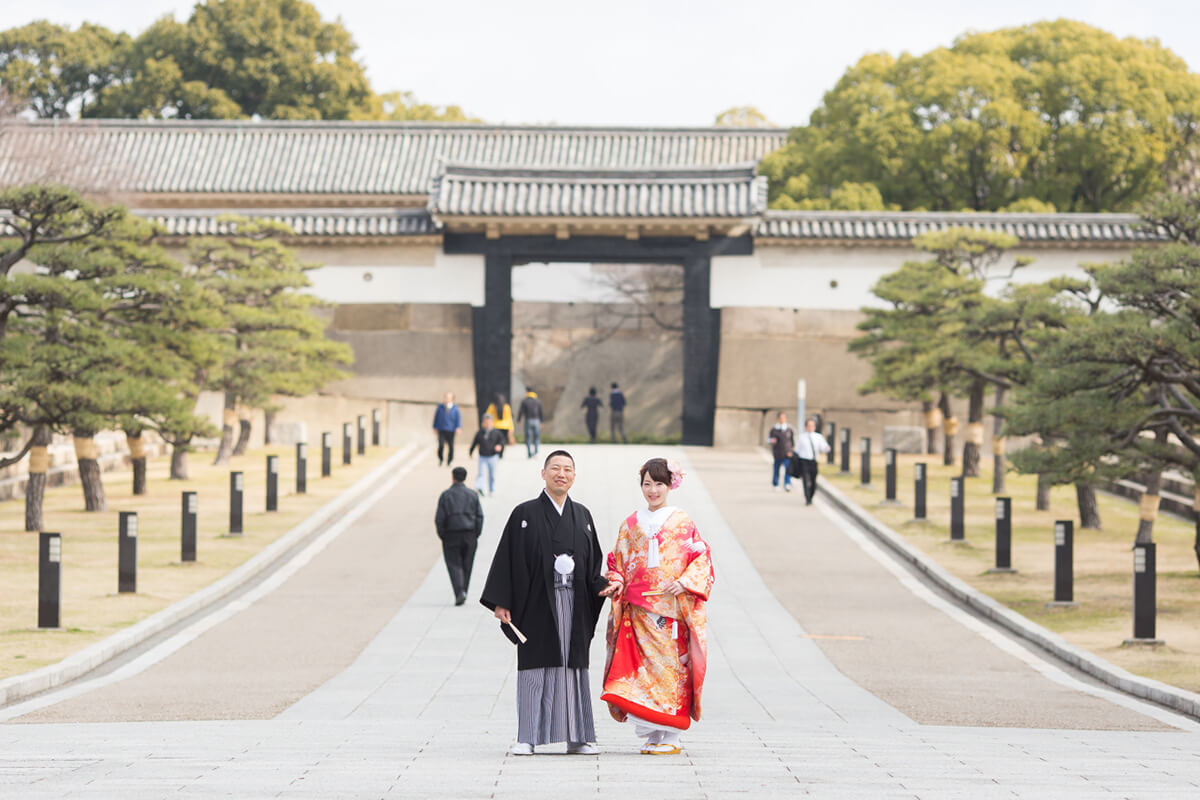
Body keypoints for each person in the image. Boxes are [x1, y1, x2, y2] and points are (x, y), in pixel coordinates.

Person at [480, 450, 620, 756]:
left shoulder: (582, 515)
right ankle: (527, 736)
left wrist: (604, 585)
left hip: (575, 600)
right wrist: (501, 601)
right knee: (534, 667)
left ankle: (579, 736)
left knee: (573, 667)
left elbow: (592, 562)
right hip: (536, 603)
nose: (562, 473)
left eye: (568, 469)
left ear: (574, 476)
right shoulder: (524, 514)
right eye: (555, 468)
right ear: (542, 474)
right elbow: (507, 558)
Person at [601, 457, 714, 756]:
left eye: (659, 484)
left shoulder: (682, 521)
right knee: (641, 671)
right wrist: (615, 581)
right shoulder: (630, 523)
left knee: (670, 668)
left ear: (670, 485)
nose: (653, 490)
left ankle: (672, 735)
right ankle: (653, 733)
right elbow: (618, 562)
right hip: (638, 611)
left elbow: (701, 557)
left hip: (670, 610)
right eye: (647, 484)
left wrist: (687, 582)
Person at [435, 466, 484, 605]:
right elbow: (479, 516)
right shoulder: (473, 494)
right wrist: (476, 533)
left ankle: (459, 591)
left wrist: (443, 534)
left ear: (453, 477)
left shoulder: (446, 495)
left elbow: (439, 518)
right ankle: (464, 591)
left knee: (453, 563)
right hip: (469, 533)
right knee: (467, 563)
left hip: (451, 533)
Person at [791, 417, 831, 505]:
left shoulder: (818, 437)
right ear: (806, 427)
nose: (810, 427)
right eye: (809, 426)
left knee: (813, 480)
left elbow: (824, 446)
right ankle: (807, 498)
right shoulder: (801, 437)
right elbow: (797, 450)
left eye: (812, 426)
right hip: (804, 461)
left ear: (814, 427)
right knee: (805, 479)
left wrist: (826, 448)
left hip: (814, 461)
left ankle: (811, 495)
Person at [468, 414, 506, 496]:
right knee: (481, 473)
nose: (487, 424)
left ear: (492, 422)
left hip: (493, 456)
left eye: (489, 422)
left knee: (492, 475)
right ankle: (479, 487)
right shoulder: (480, 432)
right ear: (483, 423)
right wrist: (470, 452)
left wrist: (500, 447)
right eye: (485, 422)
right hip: (482, 456)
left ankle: (491, 489)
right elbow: (475, 442)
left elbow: (502, 441)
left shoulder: (496, 432)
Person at [767, 411, 796, 492]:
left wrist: (792, 450)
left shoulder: (789, 429)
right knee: (776, 469)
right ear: (778, 419)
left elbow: (793, 441)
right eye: (780, 418)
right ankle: (775, 484)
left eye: (783, 418)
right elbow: (768, 439)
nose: (782, 419)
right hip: (777, 453)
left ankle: (787, 483)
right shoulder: (774, 429)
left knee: (788, 469)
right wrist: (772, 440)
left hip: (787, 453)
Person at [432, 391, 462, 466]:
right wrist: (435, 427)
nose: (447, 399)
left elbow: (458, 418)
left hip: (451, 429)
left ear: (452, 399)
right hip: (441, 428)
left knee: (451, 446)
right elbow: (436, 417)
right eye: (446, 397)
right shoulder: (440, 407)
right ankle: (441, 458)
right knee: (441, 445)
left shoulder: (455, 408)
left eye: (449, 397)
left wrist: (458, 427)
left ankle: (449, 460)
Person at [517, 388, 543, 459]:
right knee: (537, 437)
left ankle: (529, 453)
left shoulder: (525, 401)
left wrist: (518, 420)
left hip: (528, 420)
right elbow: (540, 412)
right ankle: (536, 451)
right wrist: (542, 421)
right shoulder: (538, 401)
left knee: (528, 437)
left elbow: (521, 411)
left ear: (527, 392)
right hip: (537, 420)